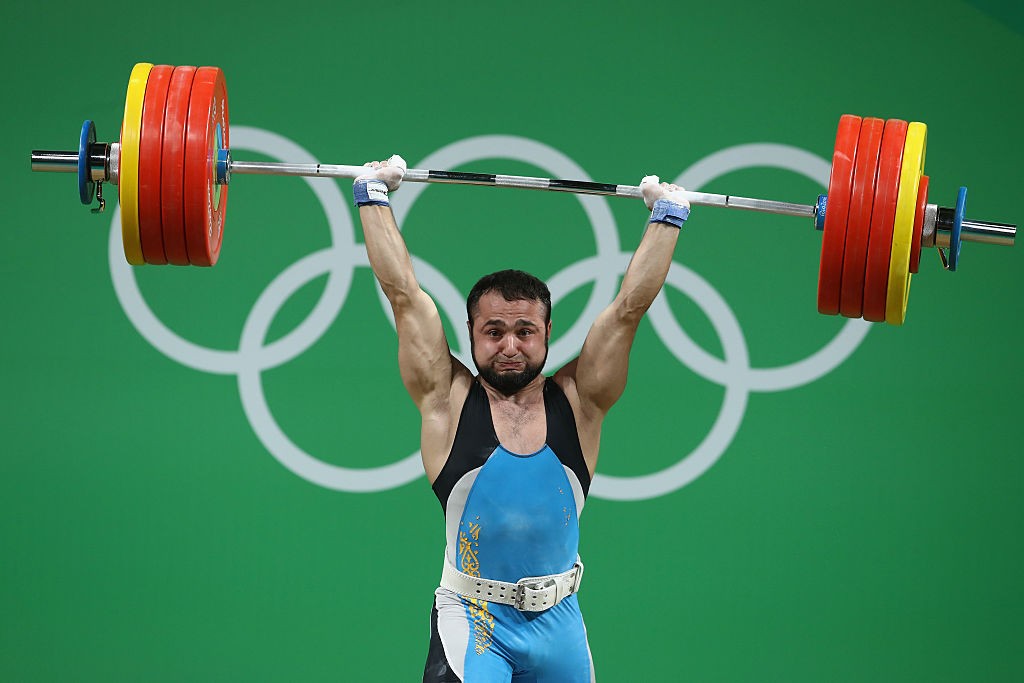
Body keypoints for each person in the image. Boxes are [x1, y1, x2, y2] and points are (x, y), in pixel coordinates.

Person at [355, 156, 690, 683]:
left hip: (561, 626)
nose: (509, 346)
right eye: (493, 331)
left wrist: (666, 219)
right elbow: (404, 297)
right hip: (474, 622)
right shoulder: (447, 398)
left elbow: (629, 309)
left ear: (547, 332)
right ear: (471, 331)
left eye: (524, 331)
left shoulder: (580, 401)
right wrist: (372, 198)